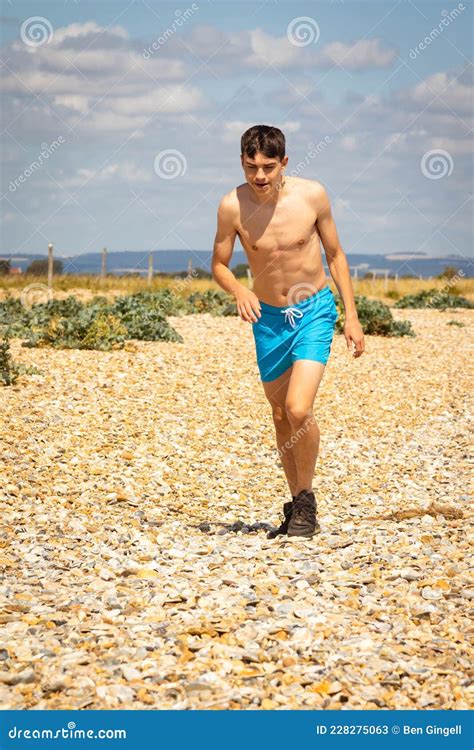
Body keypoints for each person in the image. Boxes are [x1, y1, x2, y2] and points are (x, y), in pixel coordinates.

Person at [212, 125, 364, 539]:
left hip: (313, 310)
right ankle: (298, 503)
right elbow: (219, 264)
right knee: (280, 415)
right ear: (242, 162)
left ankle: (306, 499)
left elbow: (335, 254)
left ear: (284, 162)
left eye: (267, 166)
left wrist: (351, 315)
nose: (259, 176)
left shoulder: (312, 195)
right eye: (250, 167)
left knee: (298, 408)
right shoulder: (232, 206)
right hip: (268, 319)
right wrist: (240, 289)